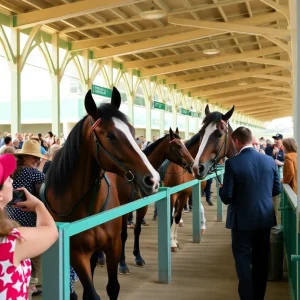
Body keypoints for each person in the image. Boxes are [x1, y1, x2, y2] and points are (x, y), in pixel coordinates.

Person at [219, 127, 281, 300]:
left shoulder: (233, 163)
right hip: (264, 219)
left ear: (236, 141)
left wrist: (222, 190)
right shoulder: (269, 161)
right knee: (261, 261)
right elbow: (277, 189)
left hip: (242, 221)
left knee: (243, 261)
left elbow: (227, 197)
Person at [0, 154, 58, 299]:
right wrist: (38, 205)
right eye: (7, 180)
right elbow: (51, 231)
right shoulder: (11, 242)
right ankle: (34, 284)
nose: (12, 181)